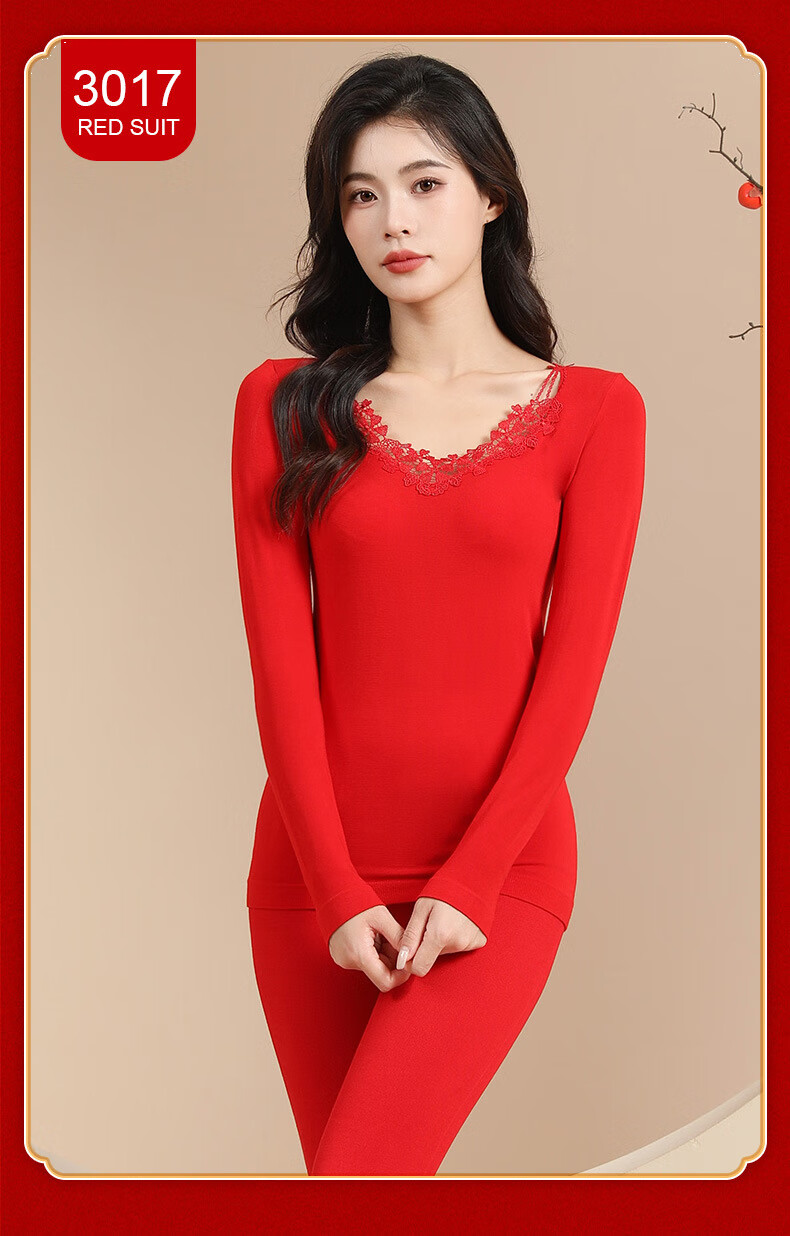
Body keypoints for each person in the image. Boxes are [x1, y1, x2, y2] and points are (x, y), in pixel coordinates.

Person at [231, 52, 646, 1177]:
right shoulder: (282, 405)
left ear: (491, 193)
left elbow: (571, 673)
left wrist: (469, 883)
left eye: (424, 183)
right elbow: (280, 671)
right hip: (312, 878)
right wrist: (332, 888)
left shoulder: (594, 414)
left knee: (363, 1179)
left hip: (497, 874)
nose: (393, 221)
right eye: (359, 195)